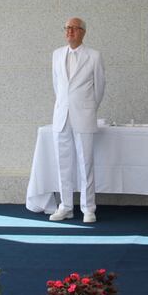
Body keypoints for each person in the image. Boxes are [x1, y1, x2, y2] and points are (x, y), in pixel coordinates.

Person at [48, 17, 106, 223]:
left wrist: (88, 108)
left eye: (74, 28)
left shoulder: (94, 56)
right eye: (67, 28)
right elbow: (57, 86)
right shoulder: (56, 54)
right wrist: (65, 106)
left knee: (85, 163)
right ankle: (65, 206)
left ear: (83, 32)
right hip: (62, 116)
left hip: (84, 115)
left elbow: (99, 88)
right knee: (63, 164)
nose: (69, 31)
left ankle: (88, 208)